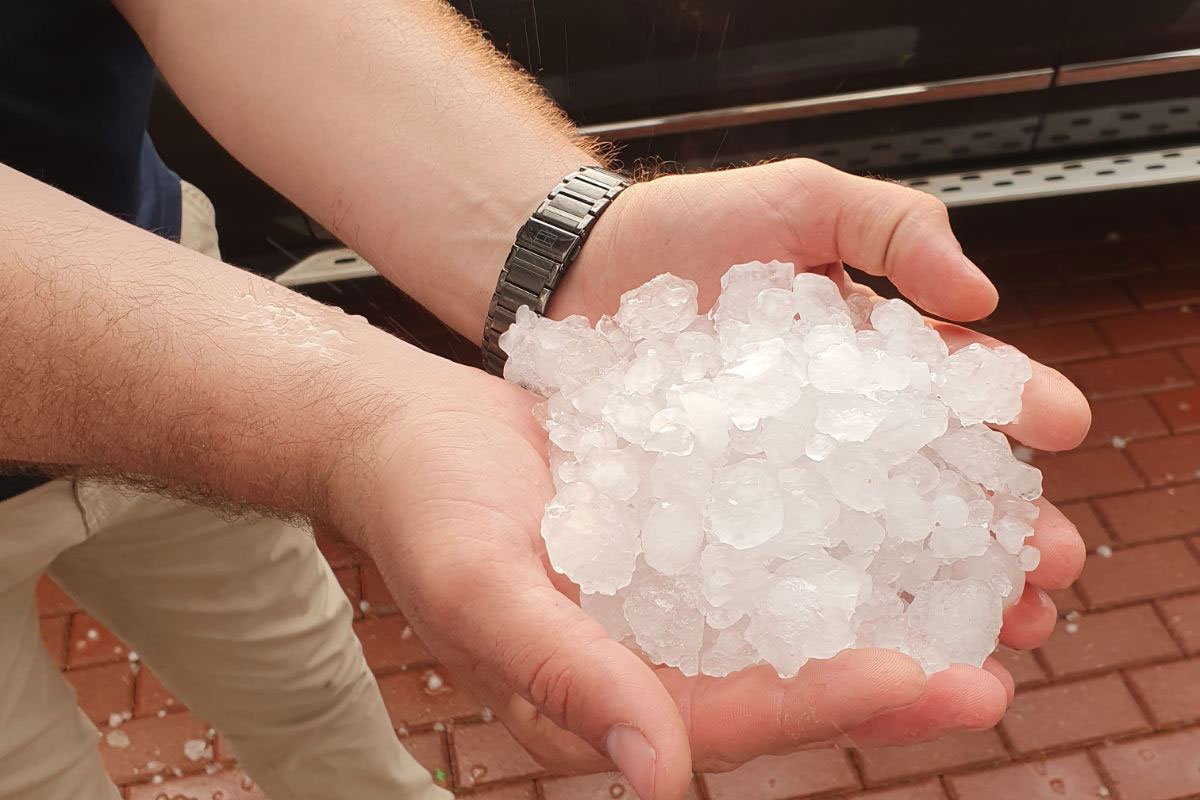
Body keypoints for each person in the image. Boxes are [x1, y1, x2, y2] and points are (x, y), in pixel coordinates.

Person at [0, 2, 1090, 799]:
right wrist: (363, 420)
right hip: (213, 358)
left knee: (304, 675)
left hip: (176, 286)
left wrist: (564, 239)